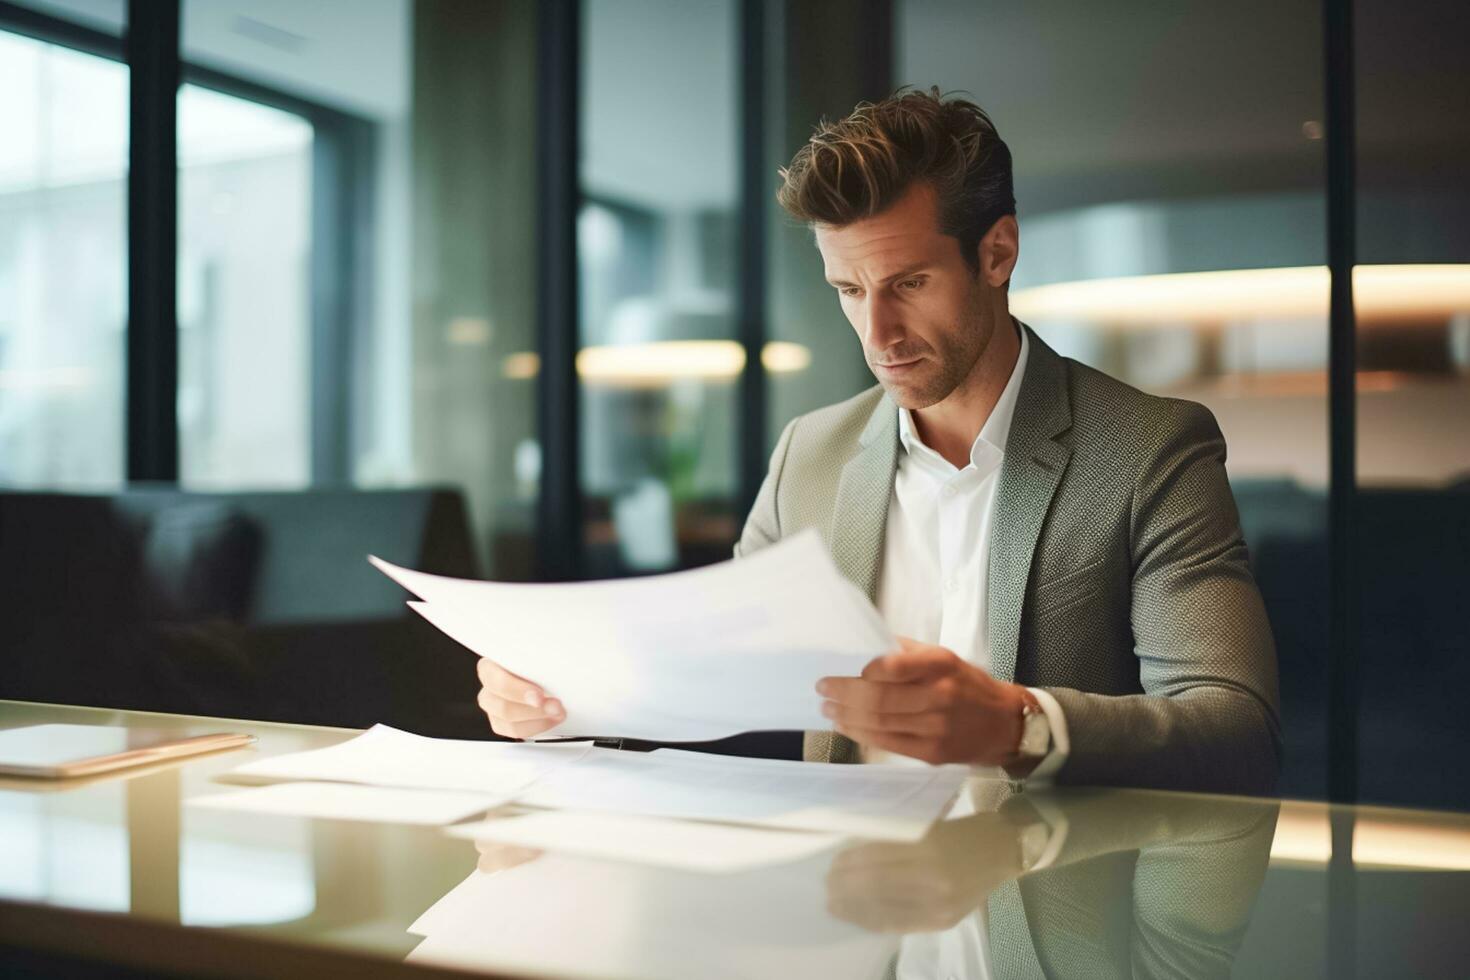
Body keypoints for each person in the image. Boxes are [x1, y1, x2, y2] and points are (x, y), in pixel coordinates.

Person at [476, 86, 1281, 794]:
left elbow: (1234, 730)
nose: (877, 332)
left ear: (996, 253)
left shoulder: (1151, 450)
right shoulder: (809, 455)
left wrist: (1018, 725)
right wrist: (569, 701)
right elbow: (715, 677)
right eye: (848, 290)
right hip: (851, 923)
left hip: (1051, 922)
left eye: (908, 284)